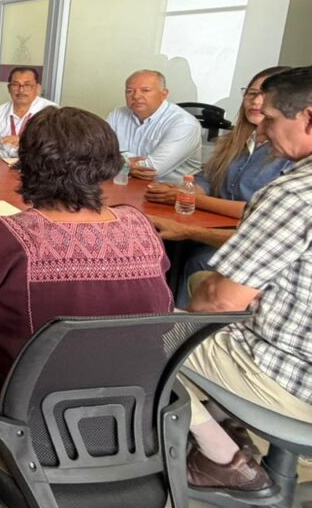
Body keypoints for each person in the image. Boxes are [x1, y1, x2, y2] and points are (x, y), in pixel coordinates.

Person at [0, 106, 172, 385]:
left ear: (27, 164)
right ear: (108, 164)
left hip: (24, 395)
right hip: (133, 392)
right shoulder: (140, 224)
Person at [180, 66, 312, 493]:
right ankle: (227, 424)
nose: (263, 129)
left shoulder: (294, 193)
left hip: (291, 378)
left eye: (270, 118)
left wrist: (187, 303)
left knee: (136, 334)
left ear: (308, 118)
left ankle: (223, 459)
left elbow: (221, 300)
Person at [145, 66, 292, 305]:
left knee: (198, 259)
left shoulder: (289, 152)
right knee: (161, 245)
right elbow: (206, 177)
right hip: (210, 226)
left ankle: (181, 324)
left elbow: (253, 209)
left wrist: (196, 200)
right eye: (252, 93)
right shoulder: (236, 140)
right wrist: (183, 192)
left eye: (266, 95)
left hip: (248, 239)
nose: (256, 101)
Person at [107, 69, 202, 183]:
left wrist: (117, 161)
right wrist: (125, 164)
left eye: (145, 90)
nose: (136, 96)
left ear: (164, 94)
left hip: (169, 190)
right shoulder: (117, 114)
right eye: (129, 91)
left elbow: (151, 170)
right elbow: (94, 152)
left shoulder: (184, 124)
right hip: (123, 184)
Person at [0, 67, 56, 159]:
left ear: (37, 88)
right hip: (0, 164)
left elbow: (58, 146)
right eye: (15, 85)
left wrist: (24, 142)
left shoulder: (52, 112)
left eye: (27, 85)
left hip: (36, 165)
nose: (21, 90)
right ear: (9, 88)